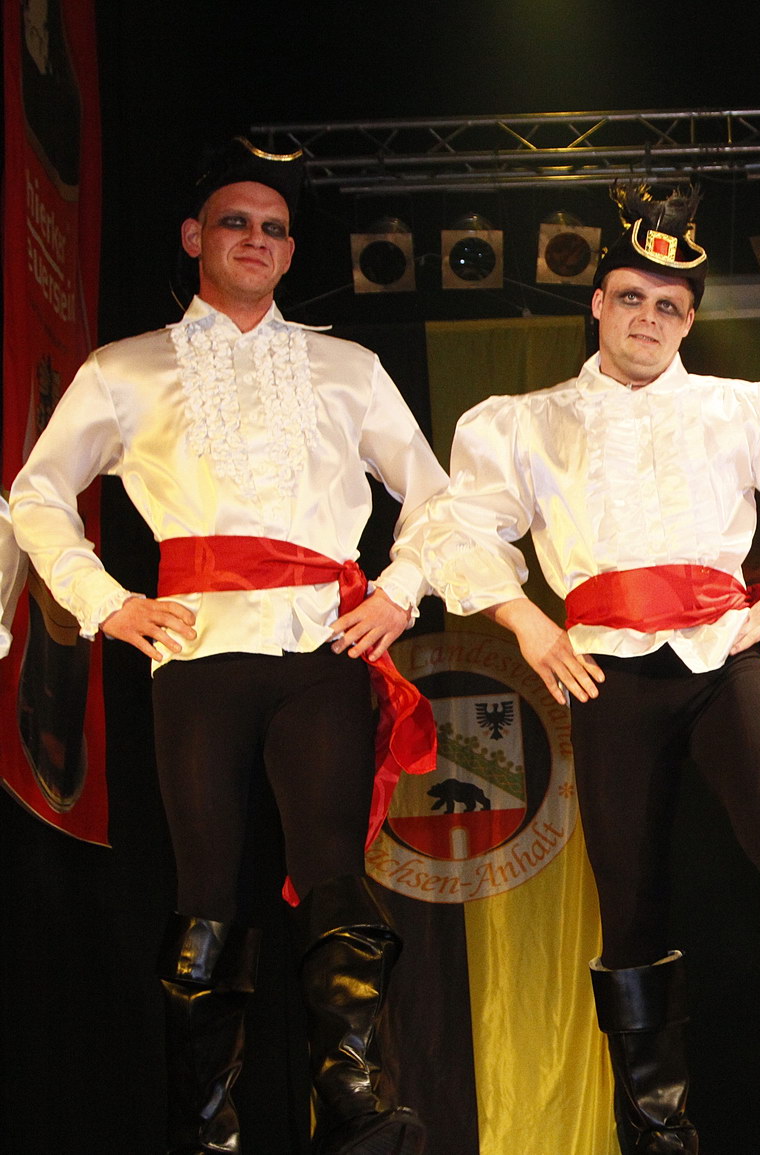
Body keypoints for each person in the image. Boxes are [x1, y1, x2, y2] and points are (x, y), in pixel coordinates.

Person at [418, 185, 760, 1154]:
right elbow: (457, 532)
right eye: (631, 298)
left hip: (720, 650)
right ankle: (657, 1125)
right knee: (630, 895)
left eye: (669, 305)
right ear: (597, 304)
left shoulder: (747, 407)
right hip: (604, 670)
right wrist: (528, 626)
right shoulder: (523, 422)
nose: (648, 318)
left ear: (689, 320)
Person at [10, 138, 446, 1155]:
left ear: (290, 252)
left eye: (274, 228)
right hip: (198, 647)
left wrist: (400, 590)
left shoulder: (349, 368)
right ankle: (205, 1126)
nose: (256, 239)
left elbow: (435, 495)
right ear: (193, 237)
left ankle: (352, 1097)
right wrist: (104, 600)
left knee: (333, 866)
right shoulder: (126, 368)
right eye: (236, 222)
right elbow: (37, 490)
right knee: (206, 887)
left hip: (321, 645)